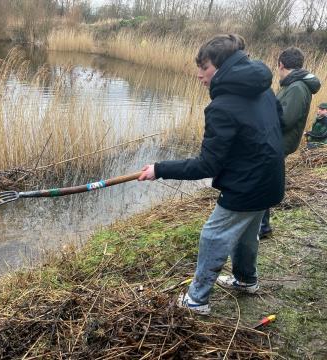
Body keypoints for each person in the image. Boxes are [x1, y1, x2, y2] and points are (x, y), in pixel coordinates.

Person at [138, 34, 285, 314]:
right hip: (271, 181)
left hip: (247, 186)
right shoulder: (264, 89)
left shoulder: (221, 106)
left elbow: (206, 166)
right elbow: (279, 124)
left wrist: (159, 169)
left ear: (221, 66)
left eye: (203, 67)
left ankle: (197, 300)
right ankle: (245, 280)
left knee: (213, 236)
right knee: (246, 234)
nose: (198, 75)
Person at [259, 47, 321, 238]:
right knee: (262, 180)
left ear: (280, 64)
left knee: (261, 181)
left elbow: (285, 119)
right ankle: (263, 225)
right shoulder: (292, 85)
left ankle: (262, 227)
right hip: (278, 141)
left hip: (280, 142)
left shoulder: (296, 87)